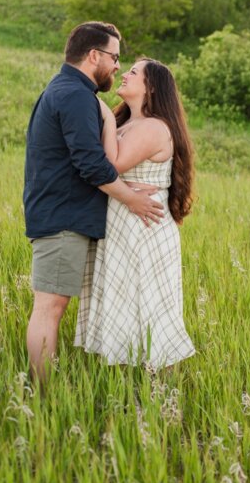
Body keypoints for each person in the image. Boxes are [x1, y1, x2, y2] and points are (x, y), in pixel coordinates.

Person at [23, 22, 165, 381]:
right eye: (115, 58)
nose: (117, 66)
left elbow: (87, 161)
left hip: (64, 215)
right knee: (50, 308)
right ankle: (41, 395)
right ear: (93, 56)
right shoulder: (74, 95)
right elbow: (91, 165)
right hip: (62, 219)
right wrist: (132, 198)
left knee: (55, 307)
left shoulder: (72, 92)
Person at [75, 58, 196, 368]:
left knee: (147, 305)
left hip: (143, 226)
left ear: (151, 86)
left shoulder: (154, 127)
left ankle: (157, 392)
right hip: (123, 222)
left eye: (133, 72)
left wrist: (106, 118)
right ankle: (124, 381)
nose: (124, 75)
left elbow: (110, 166)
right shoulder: (130, 121)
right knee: (124, 300)